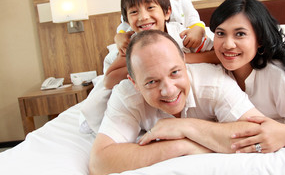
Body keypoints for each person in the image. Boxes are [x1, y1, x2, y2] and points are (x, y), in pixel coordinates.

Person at [89, 30, 264, 174]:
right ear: (134, 83)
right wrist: (183, 146)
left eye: (175, 73)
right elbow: (99, 162)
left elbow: (260, 131)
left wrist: (185, 127)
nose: (169, 90)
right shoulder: (126, 95)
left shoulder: (213, 81)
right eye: (152, 82)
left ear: (184, 61)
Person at [209, 0, 285, 153]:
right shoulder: (213, 72)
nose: (228, 44)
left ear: (259, 39)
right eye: (220, 33)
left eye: (240, 34)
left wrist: (284, 135)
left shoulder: (278, 75)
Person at [103, 0, 217, 89]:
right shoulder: (131, 44)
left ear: (167, 12)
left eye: (150, 8)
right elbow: (108, 81)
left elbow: (217, 55)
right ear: (127, 21)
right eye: (134, 12)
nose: (143, 17)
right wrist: (146, 66)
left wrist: (182, 58)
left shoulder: (181, 35)